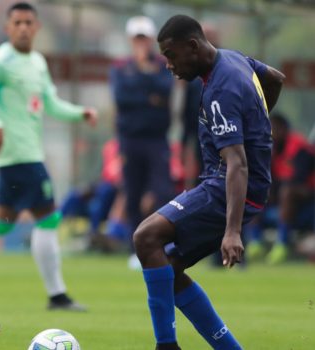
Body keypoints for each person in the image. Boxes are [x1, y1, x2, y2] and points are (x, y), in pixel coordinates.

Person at [134, 15, 285, 349]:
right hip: (239, 185)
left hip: (227, 186)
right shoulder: (232, 58)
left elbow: (237, 163)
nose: (169, 66)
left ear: (193, 46)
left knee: (145, 238)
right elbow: (275, 78)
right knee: (167, 266)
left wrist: (232, 231)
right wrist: (256, 124)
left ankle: (166, 345)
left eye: (171, 56)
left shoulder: (221, 90)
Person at [0, 1, 97, 312]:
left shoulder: (37, 62)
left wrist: (80, 113)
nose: (23, 28)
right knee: (48, 219)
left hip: (25, 156)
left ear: (36, 27)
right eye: (17, 23)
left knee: (1, 223)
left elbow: (50, 103)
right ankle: (57, 295)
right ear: (7, 28)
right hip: (19, 156)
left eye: (28, 22)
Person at [109, 16, 175, 269]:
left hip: (157, 139)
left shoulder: (162, 65)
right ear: (130, 40)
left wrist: (143, 79)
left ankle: (162, 244)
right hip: (130, 140)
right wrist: (149, 93)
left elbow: (165, 90)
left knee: (162, 191)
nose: (141, 43)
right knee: (132, 193)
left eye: (144, 38)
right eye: (137, 38)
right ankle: (136, 248)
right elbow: (122, 96)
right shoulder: (120, 68)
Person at [245, 113, 315, 264]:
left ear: (284, 129)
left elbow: (300, 178)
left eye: (274, 129)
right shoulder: (272, 149)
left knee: (287, 191)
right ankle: (255, 242)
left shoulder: (300, 147)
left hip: (307, 196)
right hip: (282, 197)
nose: (271, 133)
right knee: (255, 189)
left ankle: (282, 244)